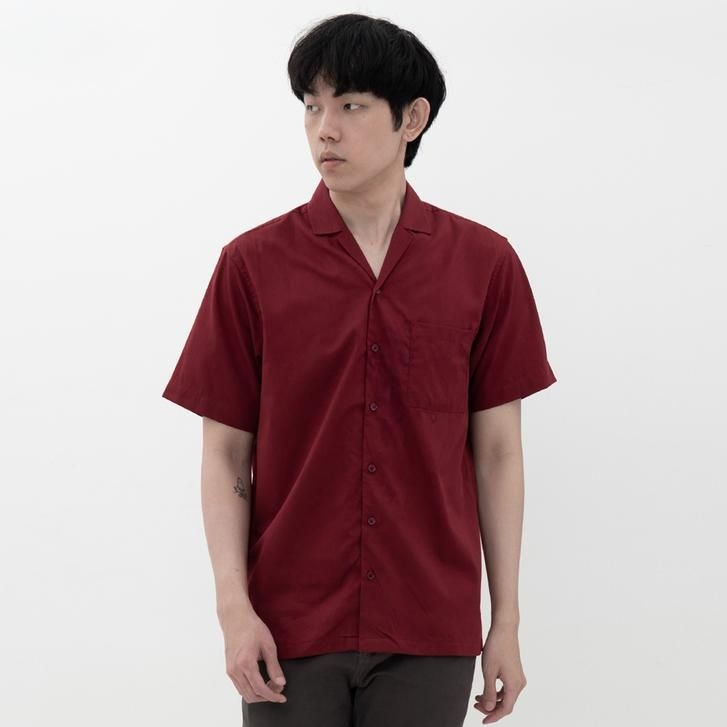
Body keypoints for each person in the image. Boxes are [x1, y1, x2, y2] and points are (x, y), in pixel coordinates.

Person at [161, 12, 557, 727]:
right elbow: (224, 455)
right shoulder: (251, 265)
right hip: (288, 626)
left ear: (412, 118)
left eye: (350, 106)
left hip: (429, 623)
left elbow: (498, 452)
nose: (325, 130)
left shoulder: (484, 264)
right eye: (311, 106)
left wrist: (505, 621)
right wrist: (233, 609)